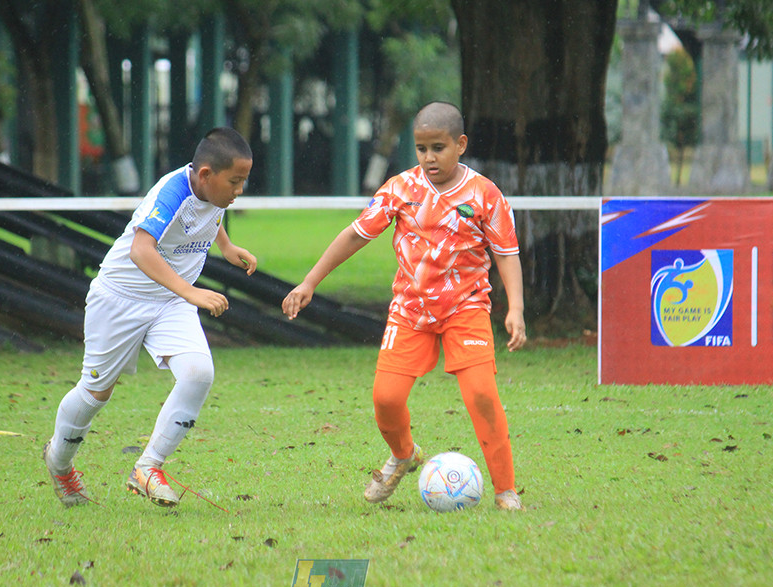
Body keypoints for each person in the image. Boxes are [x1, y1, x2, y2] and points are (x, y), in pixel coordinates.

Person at [282, 101, 527, 510]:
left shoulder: (485, 194)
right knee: (386, 399)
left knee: (482, 394)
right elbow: (356, 235)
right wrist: (310, 281)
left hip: (465, 309)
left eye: (438, 147)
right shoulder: (399, 189)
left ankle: (505, 490)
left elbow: (506, 253)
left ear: (460, 144)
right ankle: (403, 454)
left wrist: (515, 307)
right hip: (410, 311)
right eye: (421, 148)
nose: (429, 157)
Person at [43, 127, 257, 508]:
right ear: (205, 174)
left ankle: (147, 467)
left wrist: (226, 247)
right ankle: (59, 464)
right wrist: (191, 291)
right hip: (120, 299)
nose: (240, 190)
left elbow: (212, 214)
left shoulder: (212, 190)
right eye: (236, 181)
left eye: (244, 181)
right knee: (95, 393)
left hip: (169, 302)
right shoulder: (172, 192)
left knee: (198, 373)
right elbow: (143, 250)